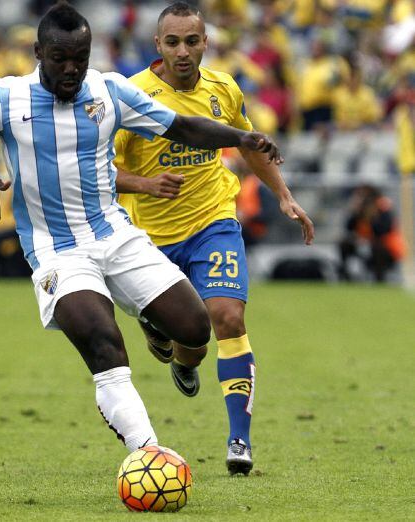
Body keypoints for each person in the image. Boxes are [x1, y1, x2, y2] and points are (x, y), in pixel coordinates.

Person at [0, 2, 284, 456]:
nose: (72, 69)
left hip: (115, 235)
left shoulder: (109, 90)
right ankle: (150, 455)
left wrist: (239, 137)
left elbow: (181, 128)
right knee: (104, 343)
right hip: (57, 252)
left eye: (81, 57)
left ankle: (153, 323)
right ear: (38, 52)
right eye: (60, 59)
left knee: (195, 328)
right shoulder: (6, 97)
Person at [113, 2, 315, 474]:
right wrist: (145, 184)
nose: (183, 51)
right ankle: (173, 348)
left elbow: (250, 144)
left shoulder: (224, 89)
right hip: (149, 238)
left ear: (206, 42)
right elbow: (100, 168)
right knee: (191, 344)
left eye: (192, 41)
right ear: (157, 45)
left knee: (227, 316)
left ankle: (239, 443)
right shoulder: (131, 97)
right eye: (173, 42)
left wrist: (284, 196)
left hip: (212, 223)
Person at [338, 184, 405, 282]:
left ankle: (379, 278)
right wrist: (355, 212)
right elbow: (349, 228)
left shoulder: (383, 210)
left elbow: (383, 231)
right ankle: (345, 275)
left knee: (377, 249)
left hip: (386, 248)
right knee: (344, 244)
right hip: (365, 245)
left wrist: (372, 219)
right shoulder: (359, 211)